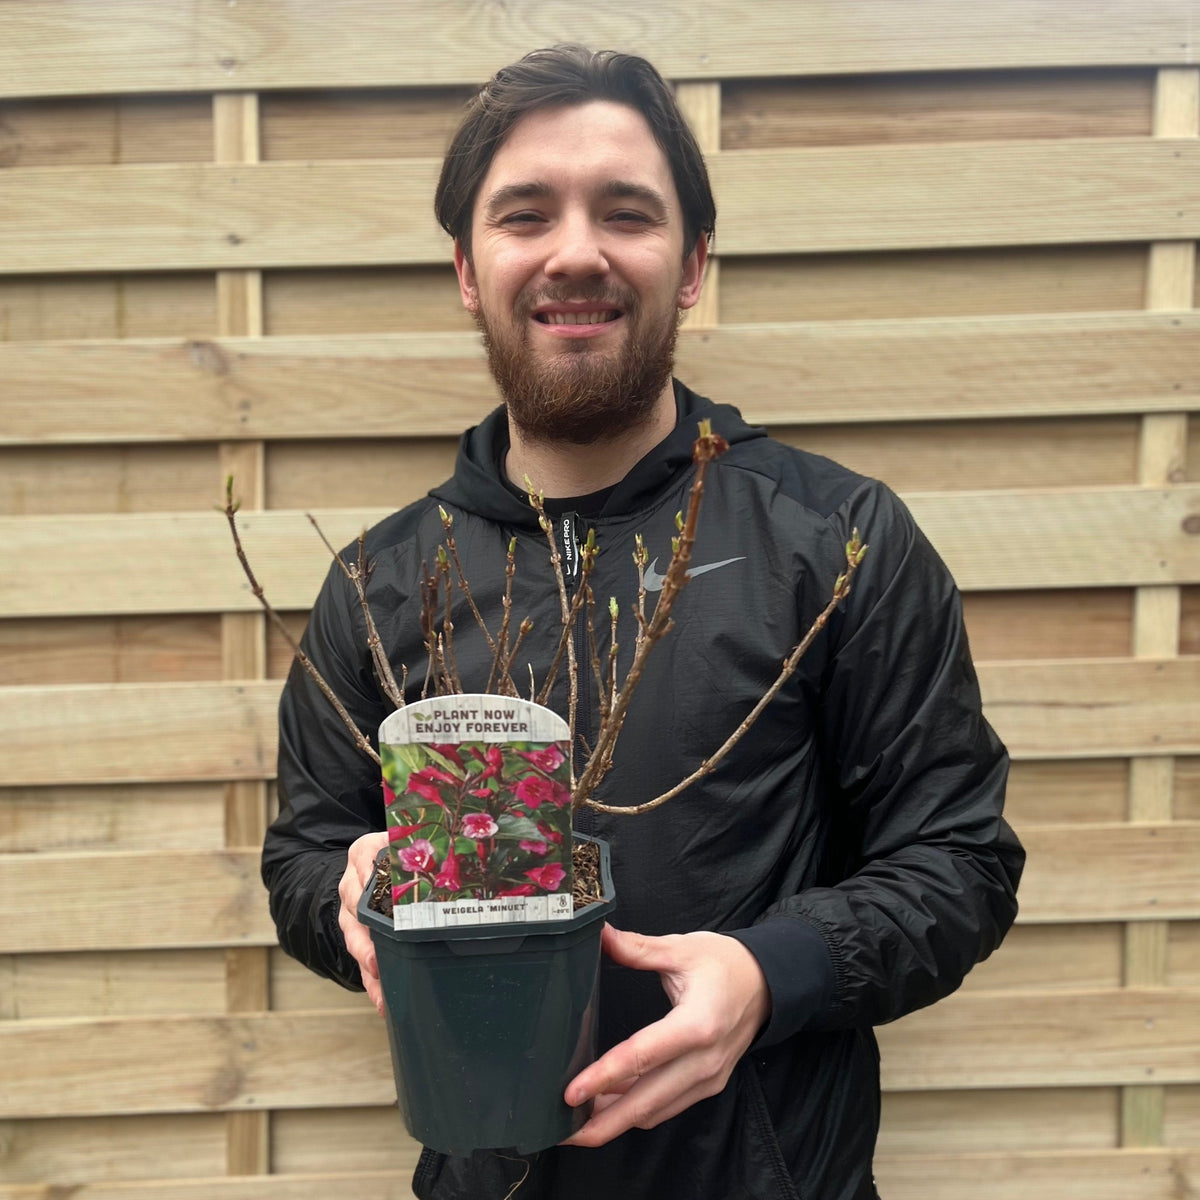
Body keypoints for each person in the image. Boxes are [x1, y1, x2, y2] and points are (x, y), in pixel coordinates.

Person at [262, 45, 1024, 1200]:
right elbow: (304, 856)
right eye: (526, 215)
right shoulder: (379, 585)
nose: (577, 250)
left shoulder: (834, 542)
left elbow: (961, 859)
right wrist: (347, 896)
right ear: (470, 269)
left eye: (627, 212)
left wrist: (773, 974)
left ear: (694, 262)